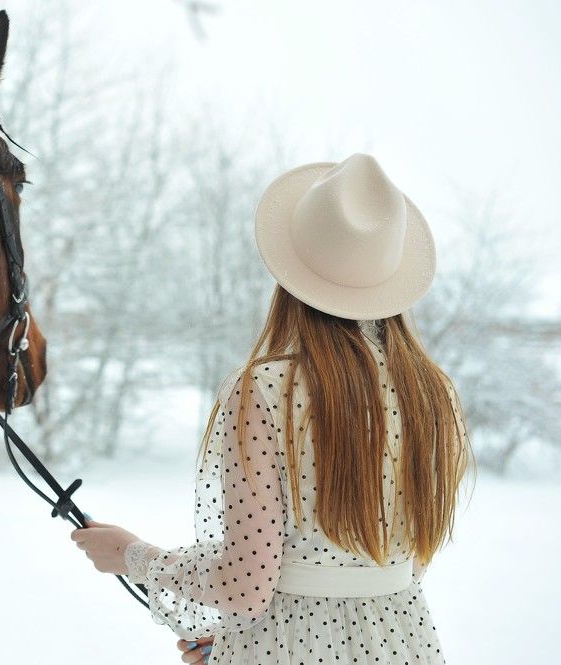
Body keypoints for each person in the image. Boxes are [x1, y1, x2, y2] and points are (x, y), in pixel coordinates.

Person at [70, 154, 473, 664]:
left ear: (291, 278)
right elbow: (403, 561)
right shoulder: (434, 394)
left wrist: (132, 555)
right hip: (400, 640)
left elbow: (246, 585)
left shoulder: (264, 391)